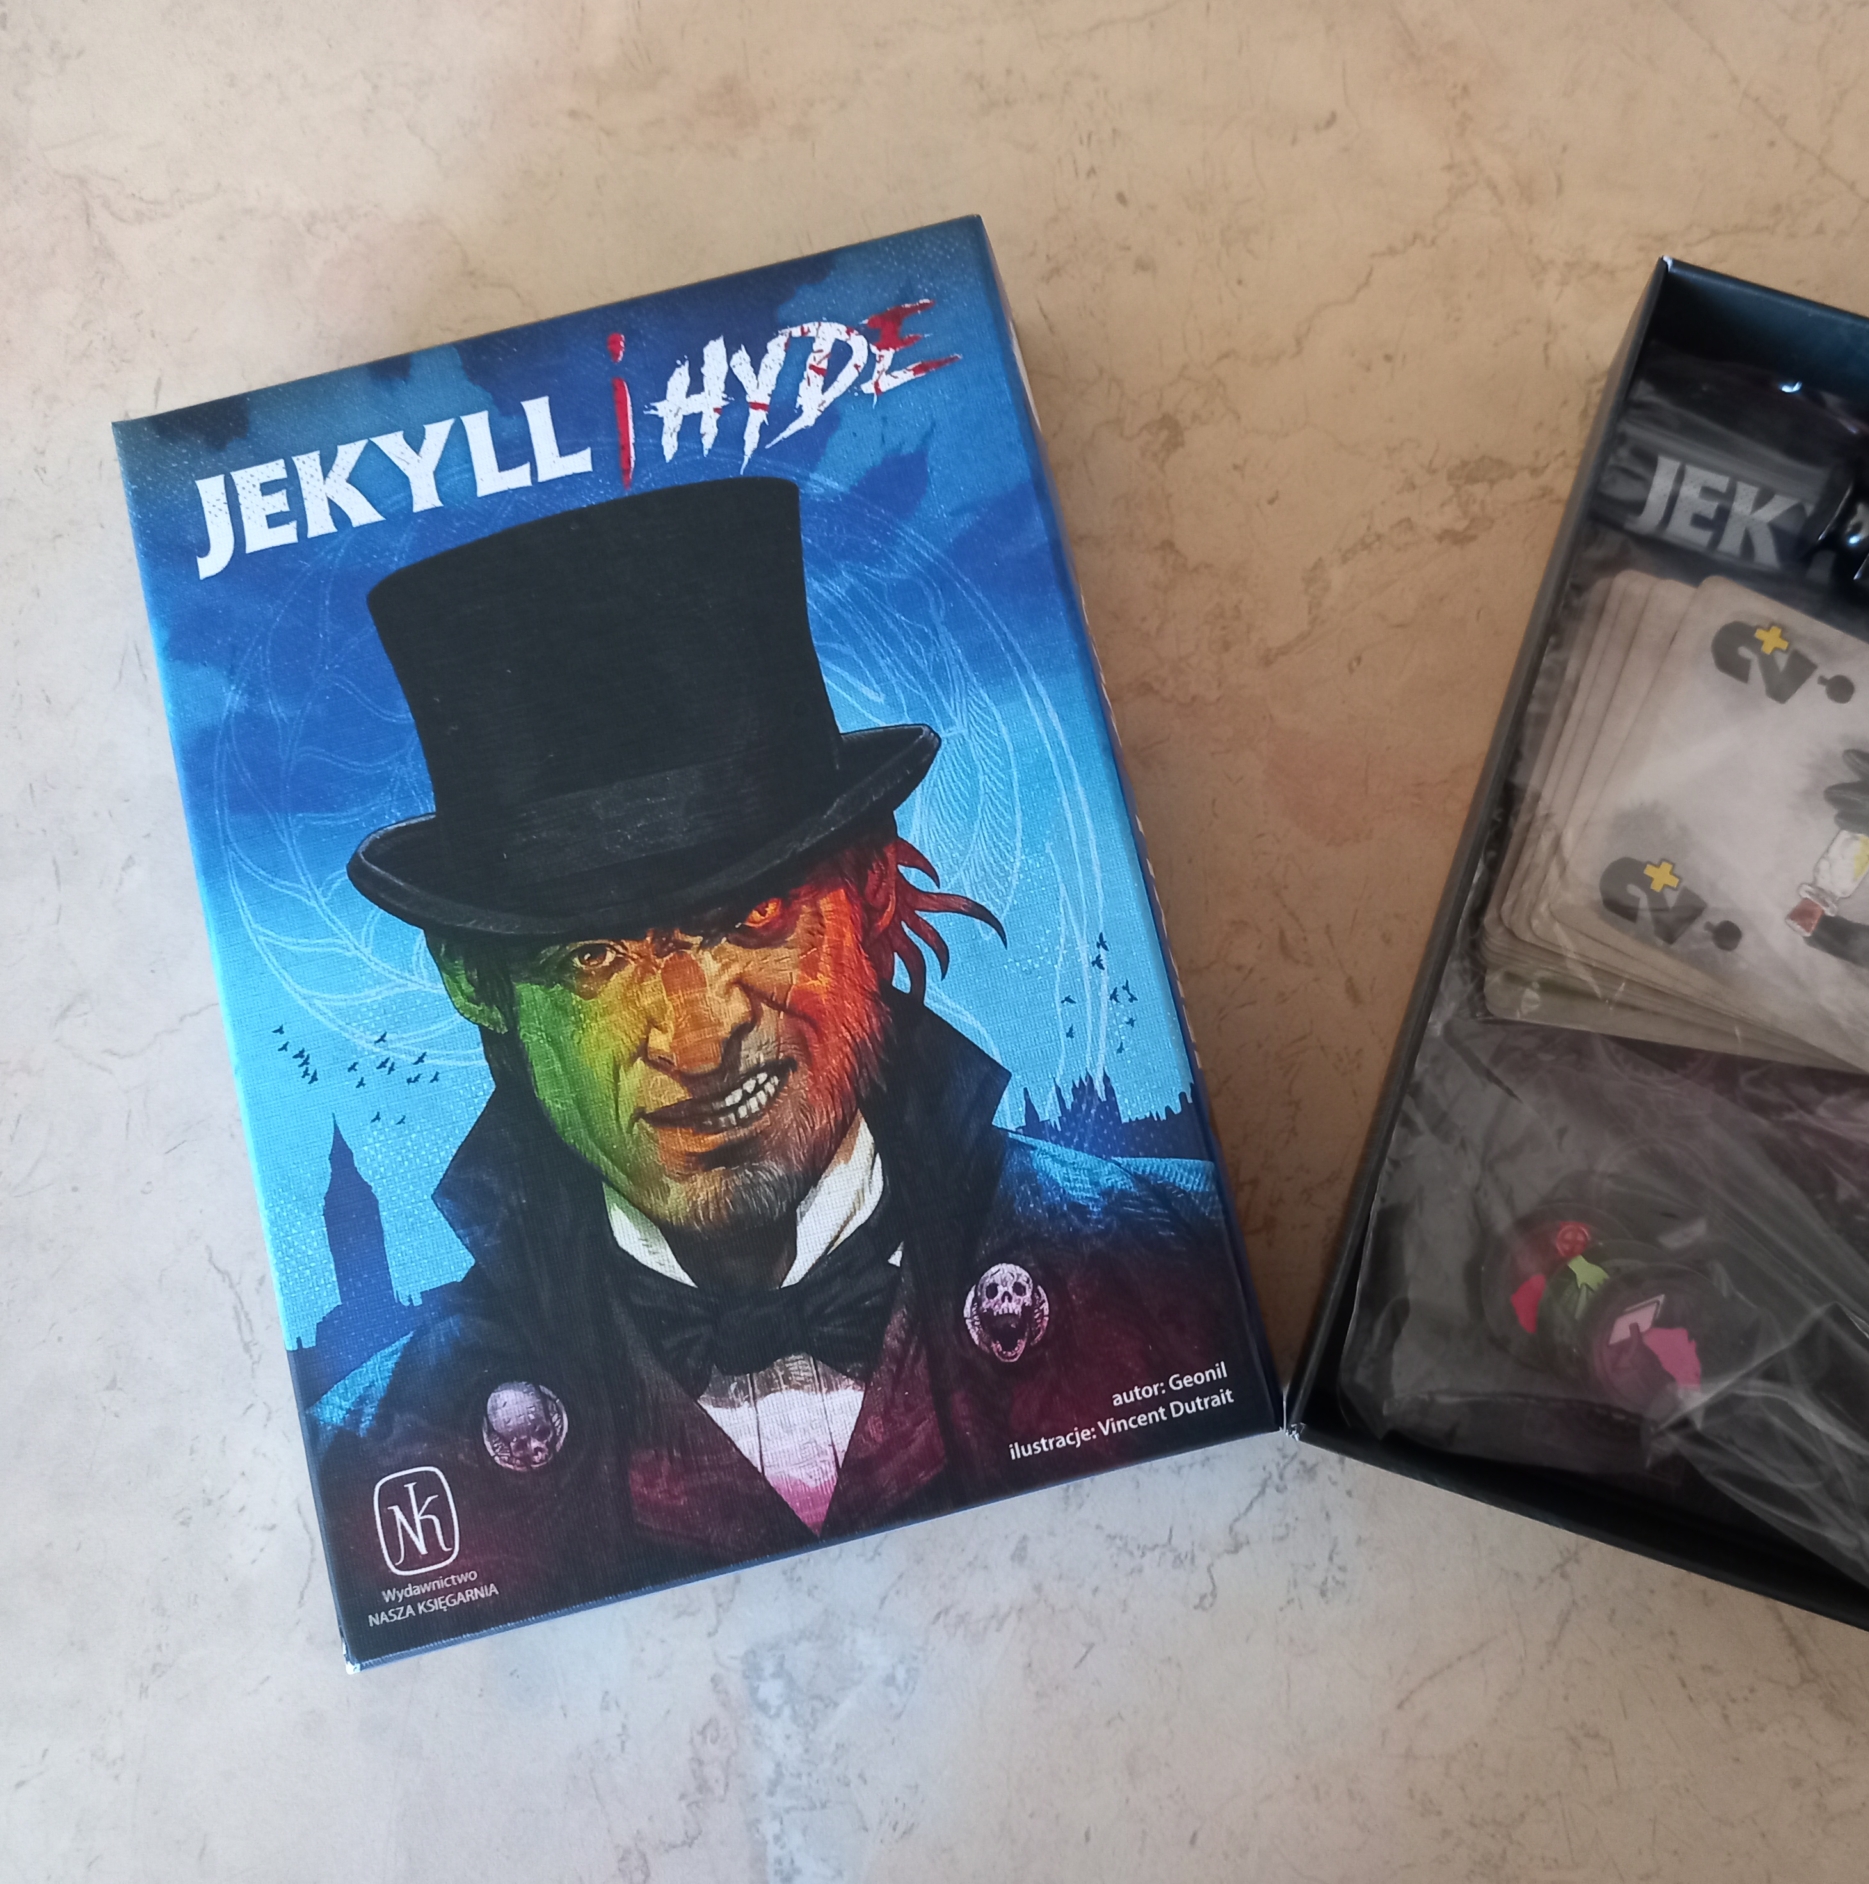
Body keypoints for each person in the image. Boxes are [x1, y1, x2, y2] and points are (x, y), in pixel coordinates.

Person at [311, 478, 1259, 1648]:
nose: (696, 1036)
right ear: (474, 982)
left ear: (870, 890)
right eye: (595, 958)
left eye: (752, 914)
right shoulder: (366, 1459)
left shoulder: (1177, 1266)